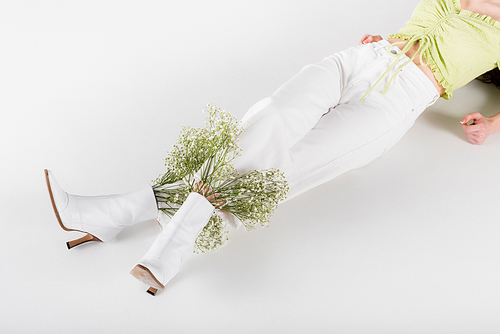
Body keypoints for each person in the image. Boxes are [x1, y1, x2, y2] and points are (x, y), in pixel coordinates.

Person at [45, 0, 500, 295]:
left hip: (400, 99)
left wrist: (493, 124)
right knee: (268, 121)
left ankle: (124, 214)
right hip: (367, 56)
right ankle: (149, 232)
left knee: (280, 172)